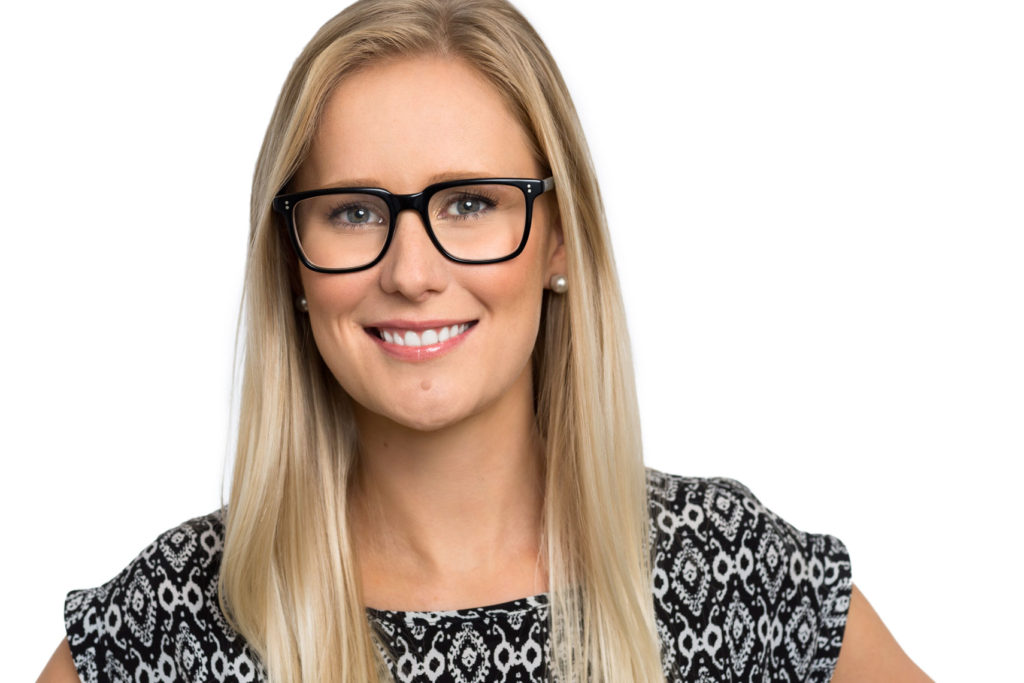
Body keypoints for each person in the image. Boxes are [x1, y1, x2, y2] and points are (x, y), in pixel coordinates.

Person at [39, 0, 931, 681]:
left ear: (558, 239)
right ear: (294, 264)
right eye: (354, 211)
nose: (413, 271)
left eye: (469, 203)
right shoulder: (173, 622)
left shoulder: (732, 576)